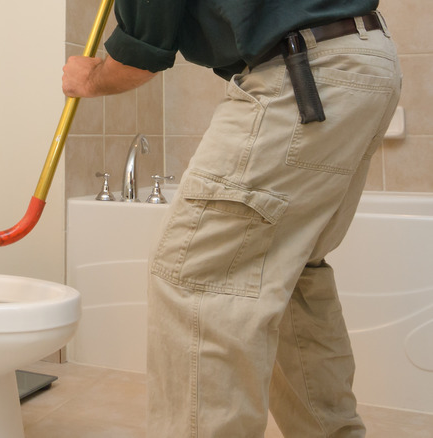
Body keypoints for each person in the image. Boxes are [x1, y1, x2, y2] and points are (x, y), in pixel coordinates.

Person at [63, 1, 401, 437]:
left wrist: (88, 78)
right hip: (362, 57)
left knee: (194, 276)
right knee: (291, 270)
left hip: (305, 66)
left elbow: (139, 57)